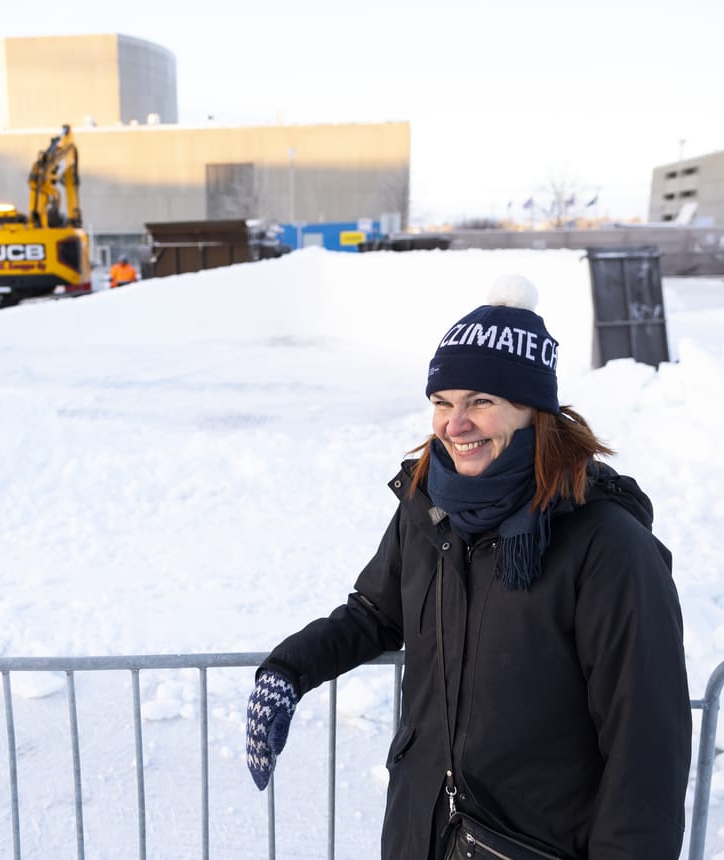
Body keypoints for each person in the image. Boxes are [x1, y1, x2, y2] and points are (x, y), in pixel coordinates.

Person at [245, 275, 691, 860]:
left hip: (533, 846)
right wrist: (286, 670)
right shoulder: (428, 509)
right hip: (421, 830)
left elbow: (646, 750)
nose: (456, 425)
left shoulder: (606, 545)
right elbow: (375, 611)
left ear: (533, 410)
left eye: (481, 402)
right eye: (442, 402)